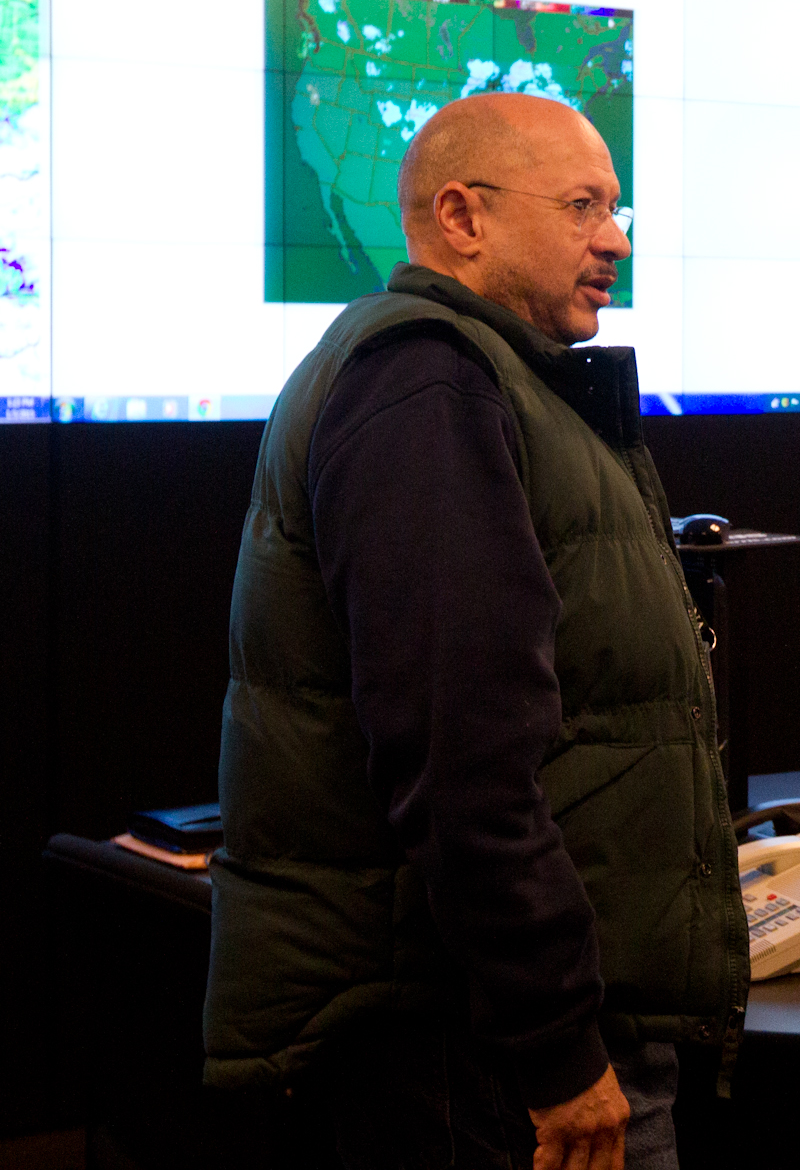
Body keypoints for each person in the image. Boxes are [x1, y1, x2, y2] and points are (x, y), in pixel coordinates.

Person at [203, 93, 746, 1170]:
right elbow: (462, 754)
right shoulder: (427, 385)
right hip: (481, 1052)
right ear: (463, 217)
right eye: (584, 205)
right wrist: (554, 1043)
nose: (616, 238)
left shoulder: (491, 381)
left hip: (493, 1029)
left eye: (617, 206)